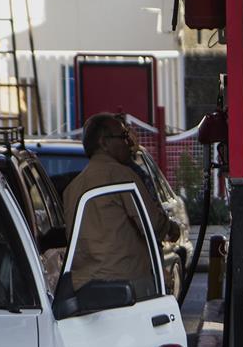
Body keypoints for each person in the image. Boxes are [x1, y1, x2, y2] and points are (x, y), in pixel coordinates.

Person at [63, 113, 179, 297]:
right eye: (123, 136)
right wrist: (171, 228)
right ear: (104, 142)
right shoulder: (123, 176)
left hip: (83, 287)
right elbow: (152, 224)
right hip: (127, 285)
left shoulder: (72, 188)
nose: (129, 143)